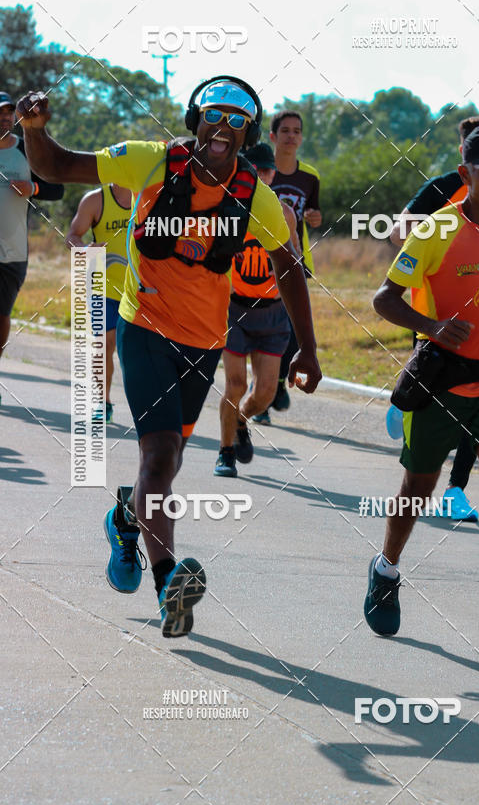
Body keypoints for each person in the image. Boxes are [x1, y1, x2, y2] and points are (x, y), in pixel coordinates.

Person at [17, 77, 321, 638]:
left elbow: (289, 268)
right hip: (145, 329)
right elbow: (57, 165)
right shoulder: (150, 162)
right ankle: (168, 585)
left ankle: (125, 520)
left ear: (247, 134)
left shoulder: (256, 197)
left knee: (170, 462)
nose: (223, 130)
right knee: (158, 458)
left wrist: (307, 349)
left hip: (204, 343)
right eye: (214, 117)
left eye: (237, 123)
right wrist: (36, 130)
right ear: (194, 120)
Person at [364, 126, 479, 659]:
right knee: (418, 488)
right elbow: (384, 299)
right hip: (444, 378)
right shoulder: (436, 231)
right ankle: (386, 569)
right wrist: (433, 324)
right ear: (465, 174)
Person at [390, 115, 479, 523]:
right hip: (437, 316)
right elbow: (397, 231)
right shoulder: (443, 188)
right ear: (462, 155)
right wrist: (439, 238)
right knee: (430, 400)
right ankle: (409, 412)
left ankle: (455, 490)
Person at [215, 142, 300, 475]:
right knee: (235, 384)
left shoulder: (284, 213)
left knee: (264, 393)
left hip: (273, 311)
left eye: (266, 170)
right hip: (235, 308)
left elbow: (292, 261)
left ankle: (239, 421)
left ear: (273, 173)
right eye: (255, 169)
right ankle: (224, 452)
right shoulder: (228, 207)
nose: (261, 176)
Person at [253, 109, 321, 424]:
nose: (291, 136)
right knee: (266, 328)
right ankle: (263, 397)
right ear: (273, 136)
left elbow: (314, 212)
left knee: (291, 327)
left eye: (297, 131)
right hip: (255, 263)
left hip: (294, 256)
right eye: (285, 131)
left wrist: (315, 218)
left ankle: (278, 382)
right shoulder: (257, 168)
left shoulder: (310, 176)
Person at [0, 91, 63, 400]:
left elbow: (57, 187)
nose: (5, 119)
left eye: (9, 114)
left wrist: (33, 186)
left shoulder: (26, 149)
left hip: (14, 250)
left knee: (1, 314)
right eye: (0, 114)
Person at [66, 183, 132, 422]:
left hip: (138, 290)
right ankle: (102, 402)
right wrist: (84, 250)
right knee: (103, 346)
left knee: (135, 351)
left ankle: (144, 407)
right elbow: (72, 236)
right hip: (102, 286)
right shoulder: (95, 200)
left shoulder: (147, 196)